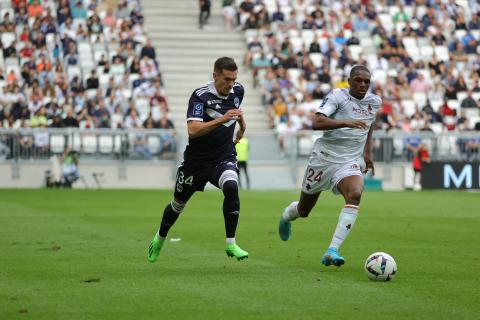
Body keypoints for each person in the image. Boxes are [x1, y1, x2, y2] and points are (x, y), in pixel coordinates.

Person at [278, 65, 381, 267]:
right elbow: (317, 122)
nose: (363, 85)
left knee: (355, 194)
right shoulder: (337, 97)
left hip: (349, 161)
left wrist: (367, 153)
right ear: (349, 80)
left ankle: (332, 250)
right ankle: (287, 216)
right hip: (323, 159)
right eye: (358, 80)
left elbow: (370, 125)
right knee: (304, 210)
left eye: (366, 81)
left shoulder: (374, 102)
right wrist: (346, 122)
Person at [148, 57, 248, 263]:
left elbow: (236, 111)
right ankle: (159, 238)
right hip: (196, 163)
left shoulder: (238, 91)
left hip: (223, 156)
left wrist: (242, 127)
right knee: (177, 206)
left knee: (231, 186)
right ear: (215, 76)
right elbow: (192, 131)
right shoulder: (200, 97)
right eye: (227, 79)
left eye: (234, 79)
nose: (231, 84)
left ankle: (231, 243)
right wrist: (222, 118)